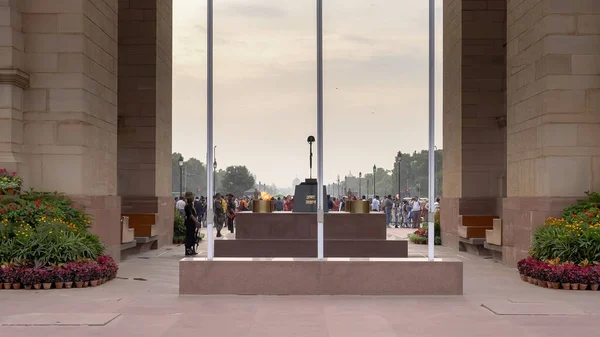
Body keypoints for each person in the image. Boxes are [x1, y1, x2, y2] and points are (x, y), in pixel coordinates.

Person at [183, 192, 201, 256]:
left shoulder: (191, 205)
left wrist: (196, 222)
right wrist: (196, 222)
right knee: (189, 236)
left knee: (193, 236)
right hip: (189, 223)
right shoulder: (188, 206)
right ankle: (188, 250)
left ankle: (192, 250)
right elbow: (190, 215)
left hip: (192, 223)